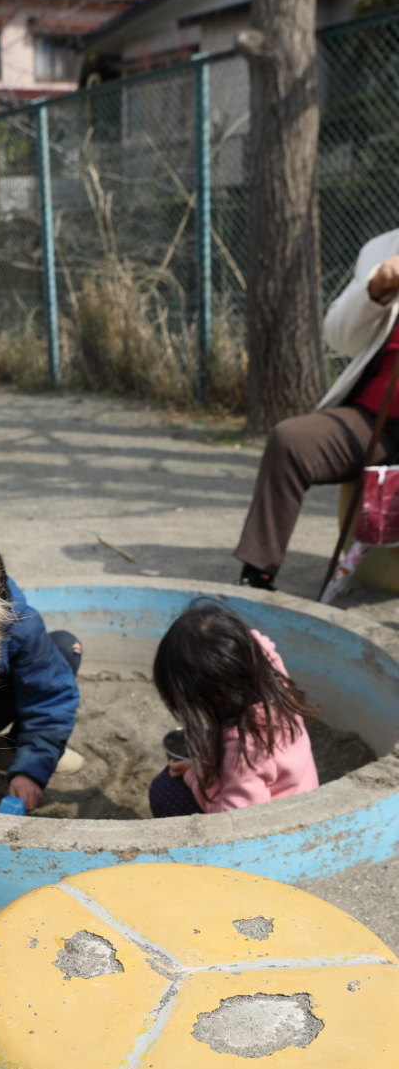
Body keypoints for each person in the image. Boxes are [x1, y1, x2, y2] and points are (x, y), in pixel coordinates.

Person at [235, 228, 399, 590]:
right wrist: (376, 290)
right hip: (376, 420)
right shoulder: (382, 250)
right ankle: (258, 574)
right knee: (291, 440)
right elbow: (341, 340)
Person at [148, 600, 318, 817]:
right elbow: (260, 644)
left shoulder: (247, 747)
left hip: (275, 827)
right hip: (298, 793)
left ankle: (193, 852)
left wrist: (194, 777)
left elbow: (234, 821)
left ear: (212, 697)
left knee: (165, 790)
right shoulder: (273, 678)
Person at [0, 535, 82, 813]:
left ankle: (15, 751)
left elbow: (49, 700)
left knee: (64, 648)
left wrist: (31, 771)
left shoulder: (20, 625)